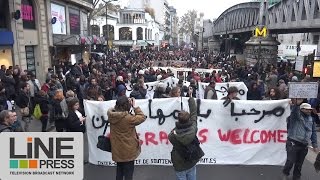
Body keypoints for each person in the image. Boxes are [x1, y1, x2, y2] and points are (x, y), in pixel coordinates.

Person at [168, 87, 204, 180]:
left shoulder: (173, 135)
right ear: (188, 120)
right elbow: (194, 113)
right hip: (191, 161)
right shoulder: (193, 128)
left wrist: (176, 128)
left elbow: (170, 136)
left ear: (178, 120)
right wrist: (190, 97)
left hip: (179, 163)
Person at [107, 96, 146, 180]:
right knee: (128, 173)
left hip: (117, 148)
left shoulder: (112, 115)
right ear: (126, 105)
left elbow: (116, 109)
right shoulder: (128, 118)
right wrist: (134, 106)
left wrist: (122, 104)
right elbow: (142, 117)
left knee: (119, 170)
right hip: (128, 149)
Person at [282, 100, 319, 180]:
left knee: (299, 164)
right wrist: (296, 104)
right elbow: (294, 111)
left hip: (304, 145)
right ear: (301, 109)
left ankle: (296, 177)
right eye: (306, 109)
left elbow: (313, 132)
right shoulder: (295, 117)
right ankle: (285, 173)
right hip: (293, 143)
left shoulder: (311, 120)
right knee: (290, 161)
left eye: (309, 109)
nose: (308, 110)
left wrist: (315, 145)